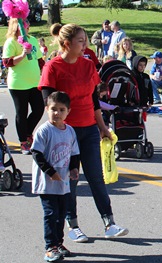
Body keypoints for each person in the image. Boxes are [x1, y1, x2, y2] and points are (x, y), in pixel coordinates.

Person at [39, 23, 128, 242]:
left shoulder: (88, 66)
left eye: (85, 40)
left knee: (96, 177)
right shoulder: (53, 67)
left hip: (88, 128)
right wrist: (57, 129)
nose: (85, 45)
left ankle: (109, 222)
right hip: (65, 132)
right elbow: (48, 103)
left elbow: (93, 99)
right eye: (81, 41)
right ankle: (73, 225)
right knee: (71, 179)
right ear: (67, 43)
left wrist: (102, 127)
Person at [31, 91, 80, 262]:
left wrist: (74, 168)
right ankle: (50, 247)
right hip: (47, 182)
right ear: (46, 109)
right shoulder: (44, 131)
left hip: (63, 183)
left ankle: (59, 243)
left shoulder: (70, 131)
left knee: (61, 214)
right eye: (53, 109)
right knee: (51, 213)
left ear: (68, 111)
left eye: (61, 109)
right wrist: (50, 172)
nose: (57, 113)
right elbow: (36, 153)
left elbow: (74, 153)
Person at [2, 18, 44, 155]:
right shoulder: (11, 41)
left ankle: (27, 133)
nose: (28, 25)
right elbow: (7, 62)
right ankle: (23, 141)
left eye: (28, 23)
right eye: (25, 23)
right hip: (18, 83)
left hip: (34, 82)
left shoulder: (32, 39)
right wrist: (22, 54)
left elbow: (39, 60)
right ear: (17, 26)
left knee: (39, 109)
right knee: (22, 112)